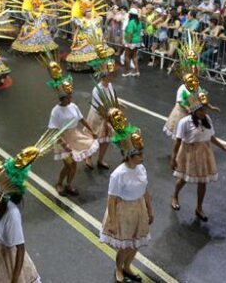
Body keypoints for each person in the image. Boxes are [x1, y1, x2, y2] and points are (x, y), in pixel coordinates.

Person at [0, 139, 61, 283]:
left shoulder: (12, 214)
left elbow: (20, 249)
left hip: (8, 259)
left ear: (1, 193)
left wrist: (15, 279)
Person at [99, 111, 152, 283]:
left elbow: (145, 190)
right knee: (125, 245)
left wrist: (150, 210)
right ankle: (118, 269)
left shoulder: (141, 169)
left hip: (139, 209)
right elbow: (112, 200)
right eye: (139, 155)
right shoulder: (118, 175)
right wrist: (113, 221)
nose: (142, 157)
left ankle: (128, 266)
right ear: (129, 155)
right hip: (124, 212)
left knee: (135, 243)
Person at [170, 90, 226, 221]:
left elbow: (211, 136)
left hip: (204, 153)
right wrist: (173, 158)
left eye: (204, 110)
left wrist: (223, 147)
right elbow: (178, 142)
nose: (203, 113)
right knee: (183, 179)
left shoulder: (207, 119)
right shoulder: (185, 122)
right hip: (189, 153)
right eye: (201, 111)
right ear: (193, 111)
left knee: (203, 182)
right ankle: (175, 195)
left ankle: (199, 207)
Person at [43, 58, 99, 196]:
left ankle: (69, 184)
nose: (71, 97)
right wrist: (64, 144)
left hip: (75, 137)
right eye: (68, 96)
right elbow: (53, 131)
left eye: (71, 95)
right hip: (62, 140)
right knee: (69, 164)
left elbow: (82, 120)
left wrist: (92, 131)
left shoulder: (73, 106)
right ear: (62, 97)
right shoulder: (56, 111)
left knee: (73, 165)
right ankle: (60, 183)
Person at [85, 51, 117, 169]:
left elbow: (112, 99)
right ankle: (88, 157)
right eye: (110, 74)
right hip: (98, 116)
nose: (112, 76)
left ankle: (100, 159)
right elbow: (100, 106)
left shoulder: (110, 86)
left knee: (106, 140)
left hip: (107, 117)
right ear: (104, 75)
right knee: (94, 139)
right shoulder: (97, 89)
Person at [122, 8, 143, 77]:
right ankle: (137, 71)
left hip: (131, 41)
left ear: (131, 15)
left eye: (129, 14)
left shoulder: (131, 22)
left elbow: (130, 33)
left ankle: (126, 72)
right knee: (134, 56)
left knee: (127, 56)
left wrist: (127, 42)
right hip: (137, 41)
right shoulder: (138, 21)